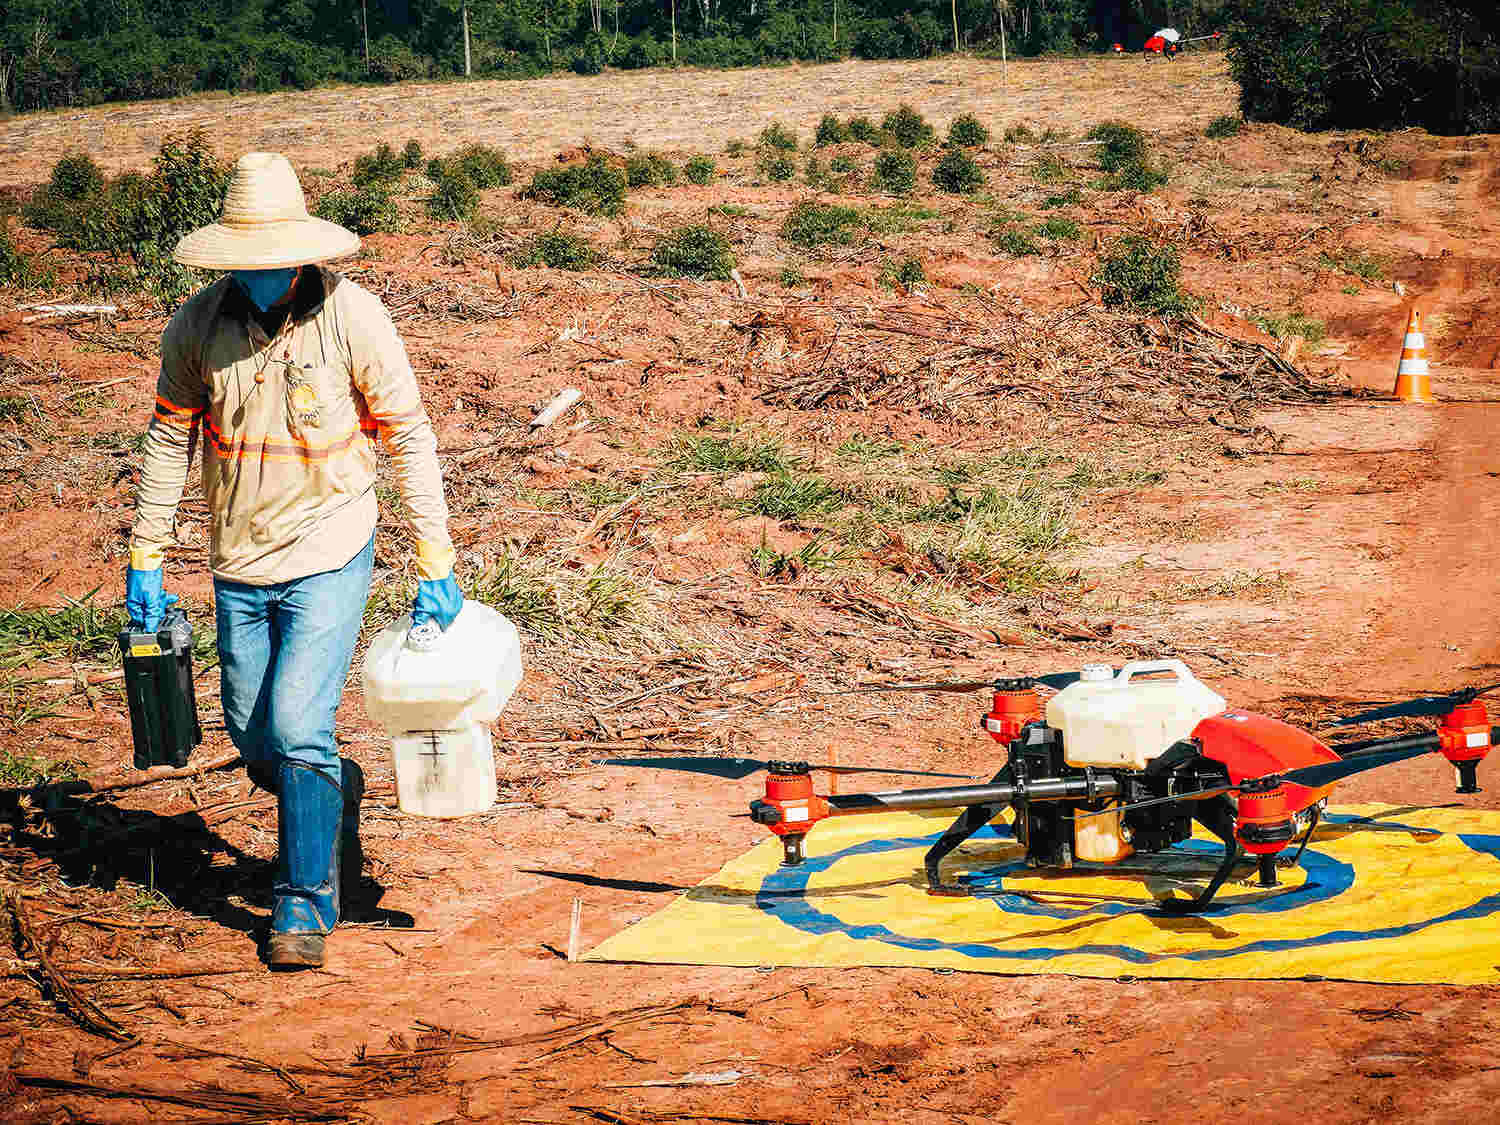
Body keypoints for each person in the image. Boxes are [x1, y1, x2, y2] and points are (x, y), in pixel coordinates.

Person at [125, 152, 463, 969]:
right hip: (238, 556)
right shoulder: (197, 326)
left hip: (331, 547)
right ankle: (330, 792)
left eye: (276, 252)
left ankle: (304, 903)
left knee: (298, 723)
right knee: (255, 738)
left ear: (302, 248)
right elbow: (170, 439)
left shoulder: (356, 319)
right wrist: (146, 554)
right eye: (249, 255)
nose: (263, 269)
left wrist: (434, 555)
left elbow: (408, 436)